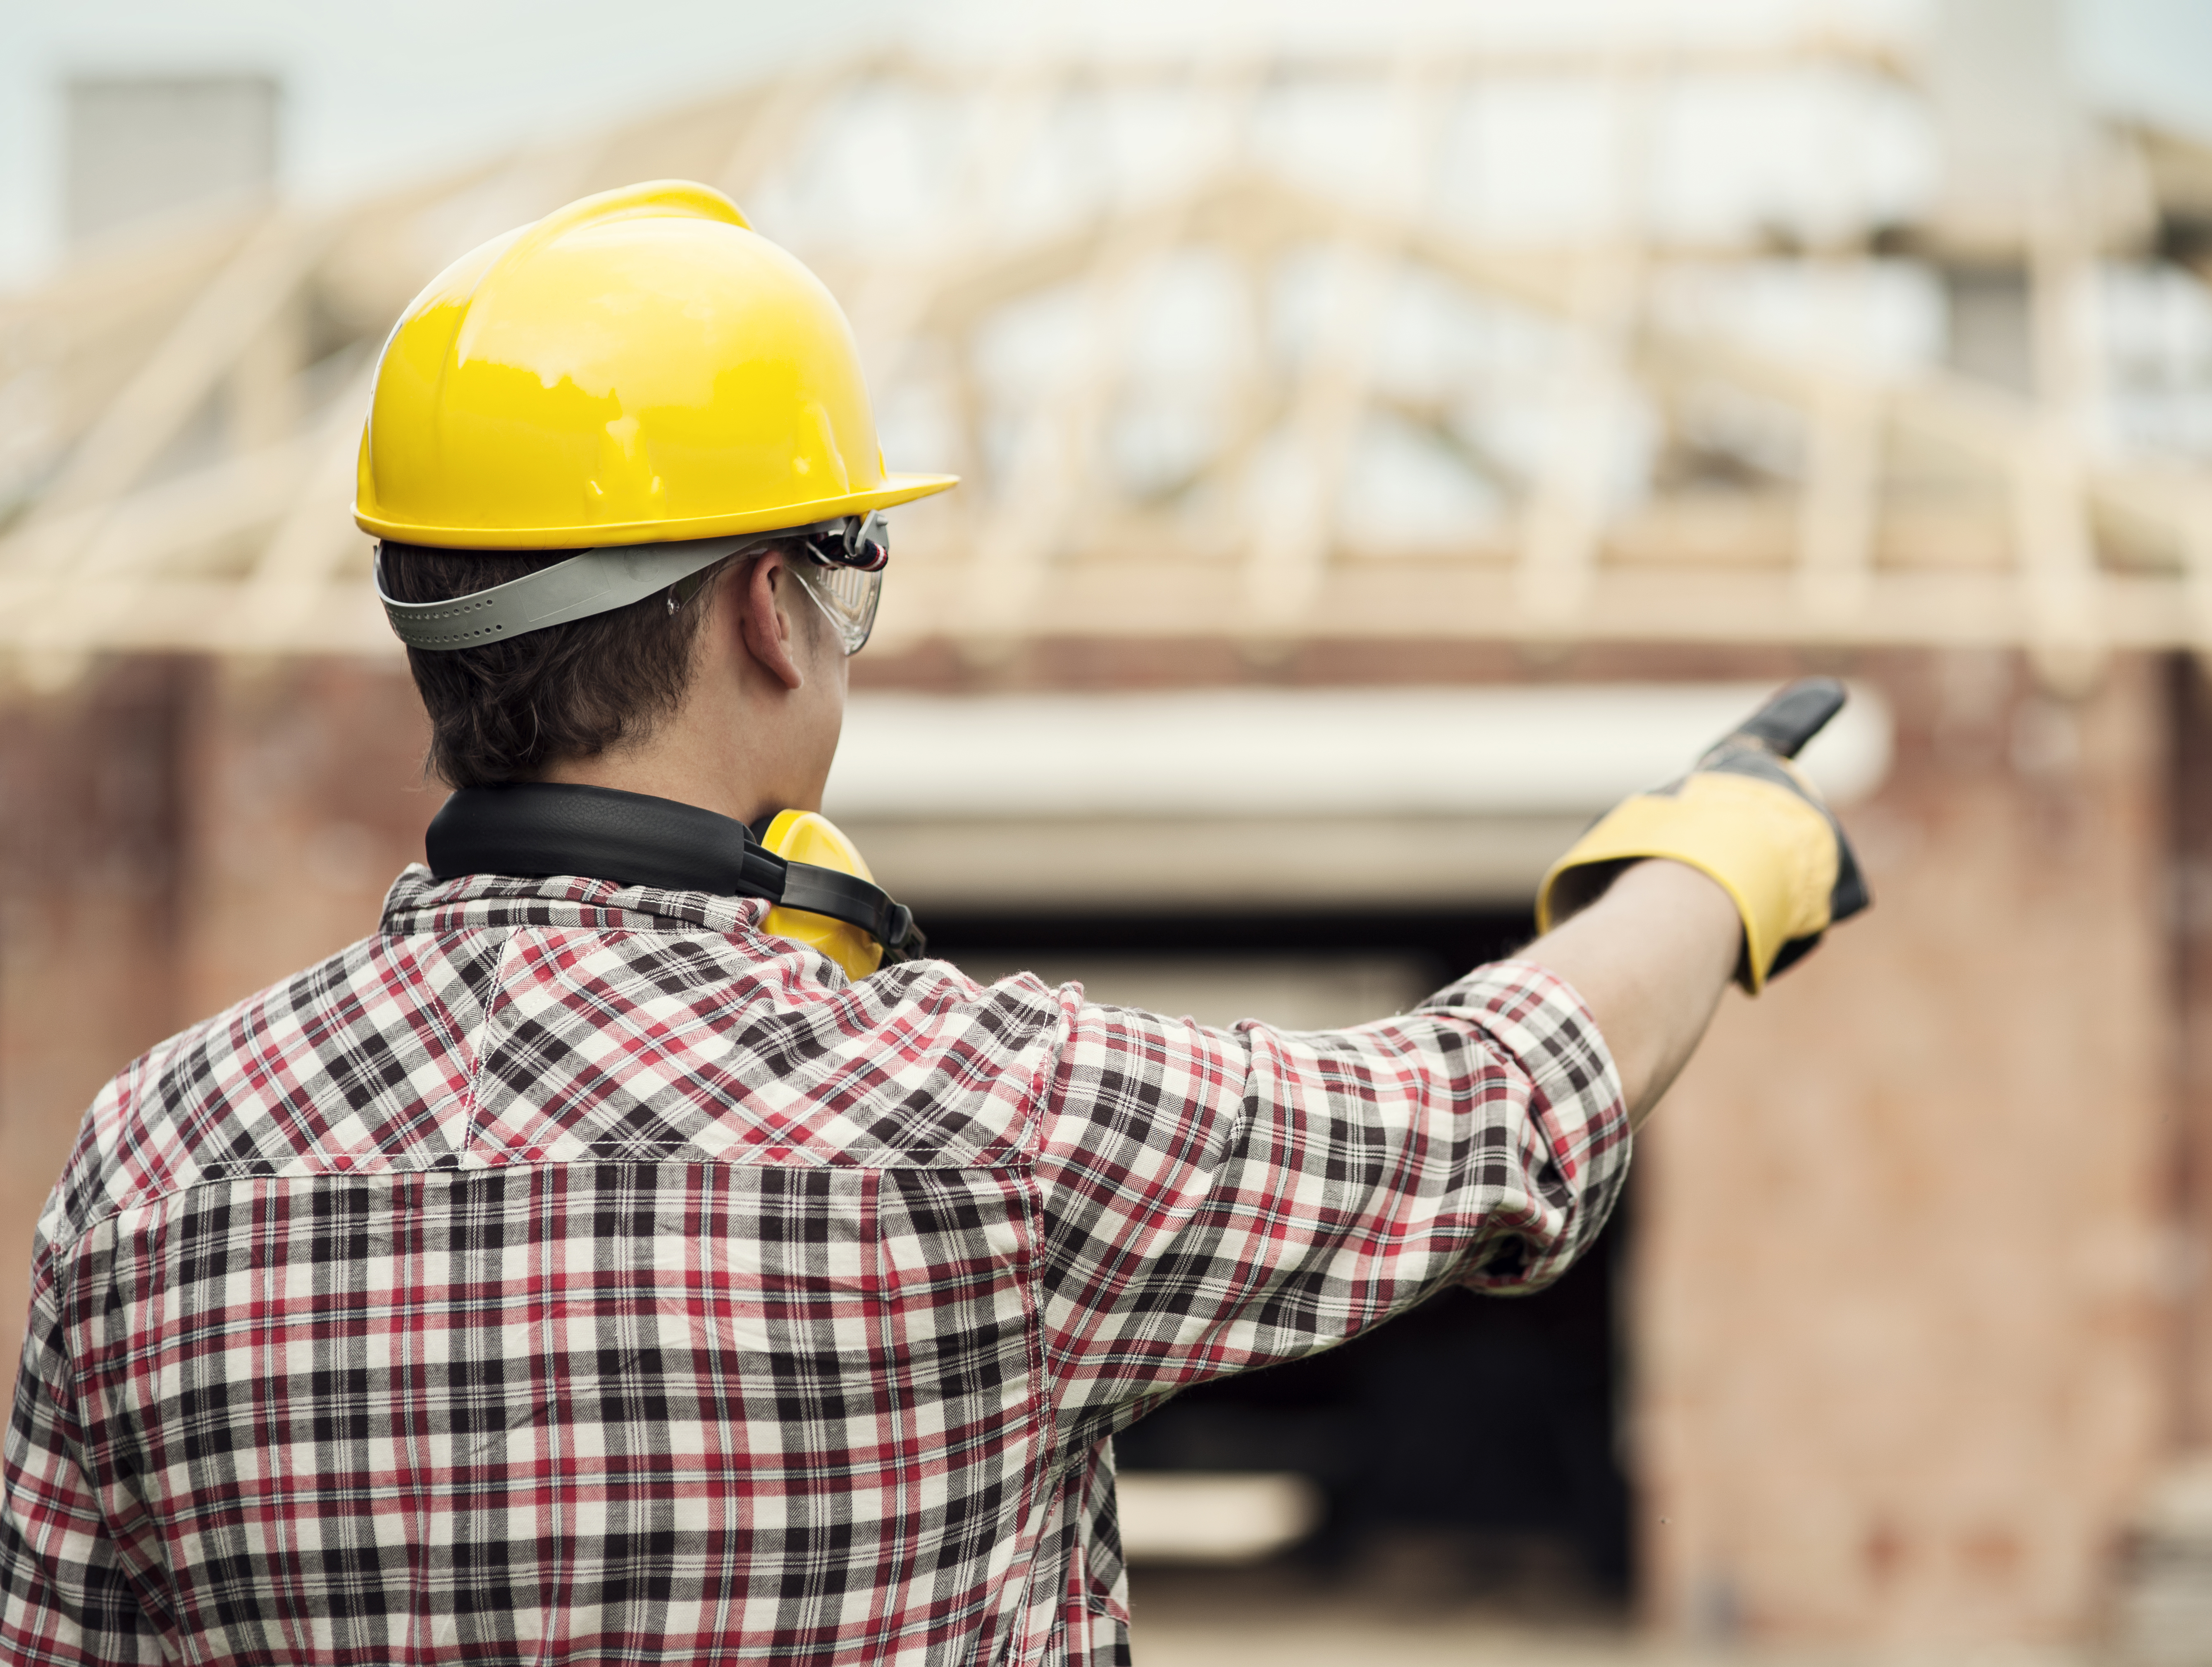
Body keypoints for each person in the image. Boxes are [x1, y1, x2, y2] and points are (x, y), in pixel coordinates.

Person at [0, 181, 1865, 1667]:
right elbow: (1489, 1110)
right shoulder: (981, 1124)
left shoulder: (150, 1170)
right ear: (760, 607)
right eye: (846, 568)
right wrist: (1708, 864)